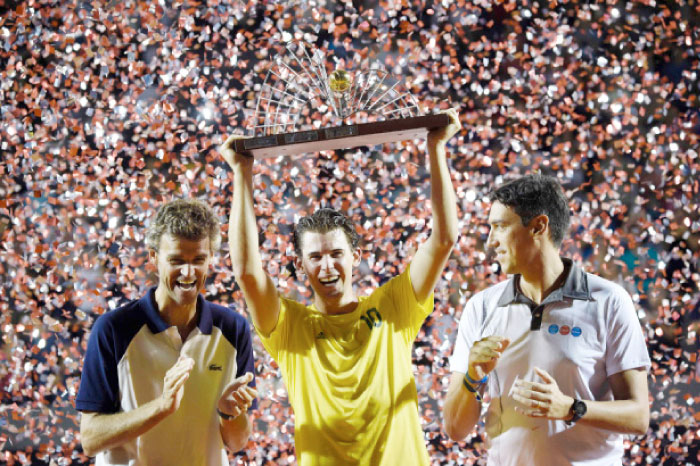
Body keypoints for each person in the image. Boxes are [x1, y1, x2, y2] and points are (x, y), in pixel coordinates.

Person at [219, 108, 460, 465]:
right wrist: (242, 172)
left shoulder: (394, 306)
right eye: (315, 257)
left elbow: (442, 240)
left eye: (336, 253)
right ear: (301, 265)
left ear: (355, 256)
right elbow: (247, 272)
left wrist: (436, 147)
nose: (327, 266)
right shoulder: (290, 326)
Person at [443, 174, 651, 465]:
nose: (491, 242)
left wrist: (570, 408)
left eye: (500, 227)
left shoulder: (609, 301)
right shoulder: (480, 308)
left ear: (538, 226)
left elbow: (639, 416)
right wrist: (472, 377)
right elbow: (455, 429)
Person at [76, 199, 257, 466]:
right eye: (176, 260)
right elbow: (90, 439)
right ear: (153, 257)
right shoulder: (114, 328)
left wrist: (230, 414)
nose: (188, 272)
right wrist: (161, 407)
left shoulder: (233, 328)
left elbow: (237, 442)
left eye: (198, 260)